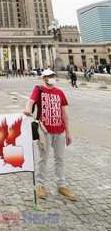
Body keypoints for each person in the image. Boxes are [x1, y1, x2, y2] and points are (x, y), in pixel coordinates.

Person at [23, 68, 76, 201]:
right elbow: (30, 101)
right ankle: (41, 185)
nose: (52, 77)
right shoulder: (39, 90)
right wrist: (28, 109)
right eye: (49, 76)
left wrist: (68, 132)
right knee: (43, 159)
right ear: (44, 78)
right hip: (44, 131)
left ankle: (61, 185)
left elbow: (64, 112)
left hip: (59, 131)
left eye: (53, 75)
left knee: (60, 159)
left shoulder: (59, 92)